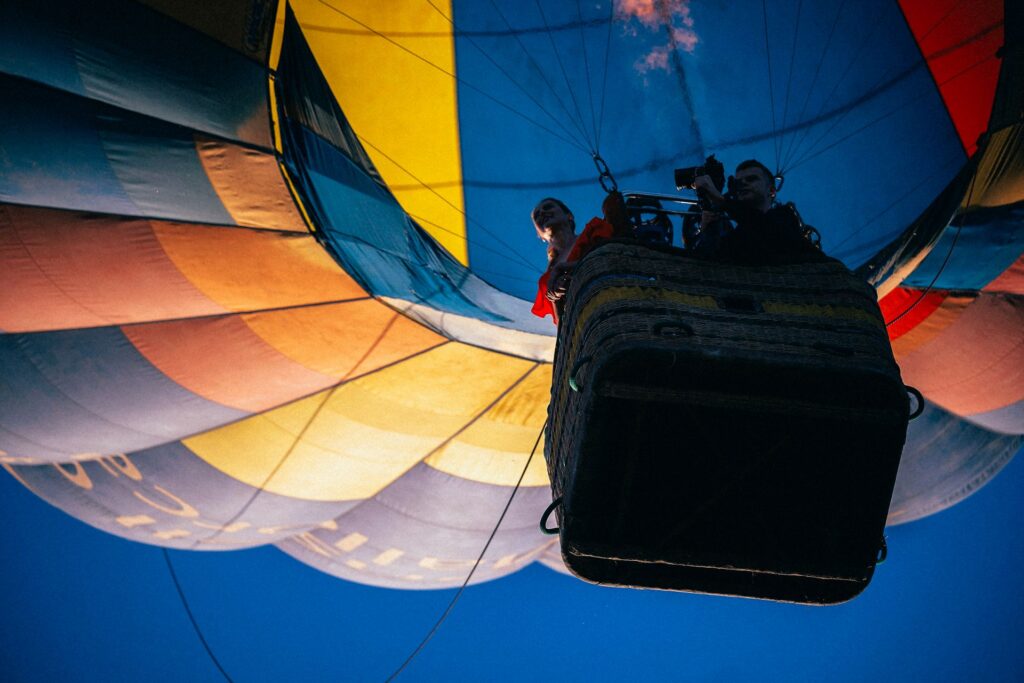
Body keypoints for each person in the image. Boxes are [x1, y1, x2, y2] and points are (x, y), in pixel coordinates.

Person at [691, 159, 824, 264]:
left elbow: (765, 228)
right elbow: (708, 264)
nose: (743, 183)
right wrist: (707, 229)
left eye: (751, 179)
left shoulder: (785, 218)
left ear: (771, 190)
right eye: (738, 182)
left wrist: (722, 201)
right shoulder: (736, 236)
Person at [531, 193, 630, 325]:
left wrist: (565, 269)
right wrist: (555, 297)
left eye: (548, 207)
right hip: (588, 326)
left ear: (569, 216)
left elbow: (612, 259)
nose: (542, 212)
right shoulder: (546, 281)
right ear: (540, 235)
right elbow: (562, 324)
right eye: (537, 215)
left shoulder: (594, 230)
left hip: (615, 302)